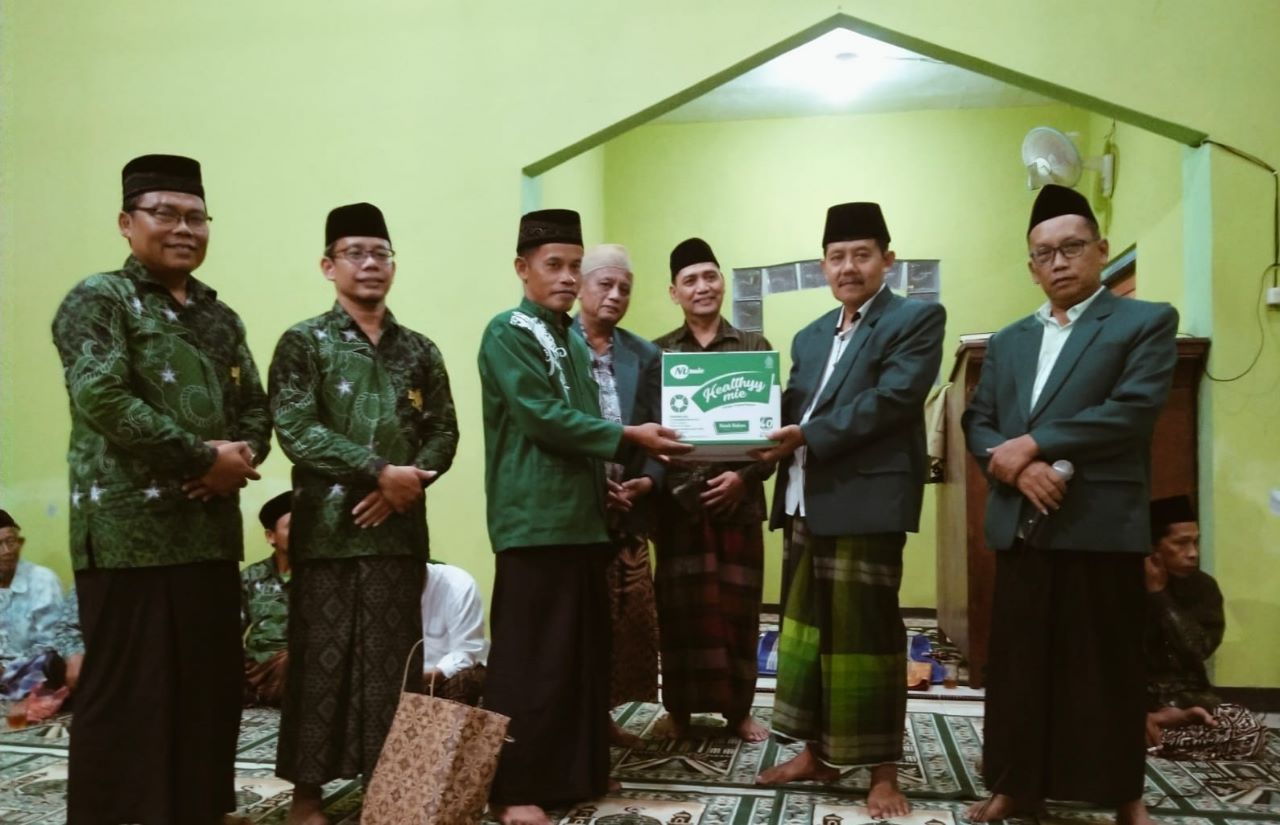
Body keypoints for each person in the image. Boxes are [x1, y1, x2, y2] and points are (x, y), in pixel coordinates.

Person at [51, 153, 269, 825]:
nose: (183, 228)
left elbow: (256, 410)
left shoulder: (219, 316)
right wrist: (200, 457)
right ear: (127, 222)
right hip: (128, 536)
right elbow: (100, 396)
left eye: (196, 216)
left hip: (208, 534)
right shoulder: (99, 299)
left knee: (209, 696)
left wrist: (239, 458)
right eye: (165, 214)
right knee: (129, 700)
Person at [962, 184, 1179, 825]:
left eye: (1072, 247)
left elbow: (1132, 411)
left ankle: (1124, 796)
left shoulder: (1144, 322)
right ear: (1031, 266)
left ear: (1101, 250)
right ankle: (1014, 787)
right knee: (1019, 670)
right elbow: (979, 423)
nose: (1058, 262)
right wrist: (1019, 469)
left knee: (1106, 669)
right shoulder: (1009, 340)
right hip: (1023, 523)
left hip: (1099, 524)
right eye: (1044, 253)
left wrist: (1034, 444)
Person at [478, 209, 688, 825]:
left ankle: (574, 774)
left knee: (578, 659)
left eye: (575, 265)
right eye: (554, 265)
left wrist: (611, 483)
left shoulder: (569, 336)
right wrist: (629, 436)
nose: (568, 277)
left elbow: (585, 421)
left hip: (584, 521)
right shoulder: (508, 331)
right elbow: (541, 417)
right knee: (529, 663)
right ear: (522, 269)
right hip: (533, 521)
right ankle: (514, 788)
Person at [752, 203, 945, 817]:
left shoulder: (915, 319)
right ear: (823, 266)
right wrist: (736, 435)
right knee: (809, 639)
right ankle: (819, 754)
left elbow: (894, 399)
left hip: (866, 503)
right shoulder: (810, 336)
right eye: (837, 257)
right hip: (804, 501)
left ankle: (883, 773)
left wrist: (805, 435)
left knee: (869, 641)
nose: (849, 267)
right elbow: (789, 408)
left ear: (888, 259)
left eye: (862, 254)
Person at [269, 202, 459, 825]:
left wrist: (408, 483)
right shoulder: (303, 342)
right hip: (327, 535)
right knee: (319, 668)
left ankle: (390, 790)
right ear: (329, 266)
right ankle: (306, 796)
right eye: (355, 253)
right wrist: (380, 473)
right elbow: (296, 428)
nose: (370, 263)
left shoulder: (420, 349)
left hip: (397, 535)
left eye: (380, 253)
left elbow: (444, 431)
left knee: (392, 669)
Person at [651, 237, 773, 743]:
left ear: (722, 283)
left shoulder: (754, 348)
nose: (702, 287)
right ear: (674, 292)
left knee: (737, 611)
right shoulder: (658, 353)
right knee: (680, 612)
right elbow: (648, 432)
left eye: (710, 276)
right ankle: (679, 711)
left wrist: (743, 478)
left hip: (738, 503)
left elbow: (773, 435)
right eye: (690, 280)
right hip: (678, 509)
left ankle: (737, 712)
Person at [571, 243, 663, 746]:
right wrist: (590, 484)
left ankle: (603, 719)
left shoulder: (644, 355)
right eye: (605, 284)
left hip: (628, 512)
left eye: (624, 288)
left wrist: (646, 481)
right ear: (581, 286)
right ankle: (577, 724)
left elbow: (662, 429)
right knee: (579, 624)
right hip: (574, 513)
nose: (615, 295)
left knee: (626, 621)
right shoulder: (555, 346)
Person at [1144, 496, 1267, 760]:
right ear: (1153, 547)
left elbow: (1197, 650)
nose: (1193, 553)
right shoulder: (1120, 585)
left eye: (1195, 542)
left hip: (1187, 701)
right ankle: (1146, 731)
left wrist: (1160, 596)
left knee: (1247, 731)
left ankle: (1151, 738)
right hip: (1132, 701)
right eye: (1181, 543)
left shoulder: (1203, 587)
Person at [0, 510, 66, 701]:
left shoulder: (42, 580)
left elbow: (52, 645)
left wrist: (6, 670)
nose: (7, 551)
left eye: (11, 541)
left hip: (33, 681)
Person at [241, 491, 293, 707]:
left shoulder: (321, 579)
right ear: (271, 536)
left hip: (304, 664)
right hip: (259, 666)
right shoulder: (251, 577)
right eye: (292, 527)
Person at [421, 560, 488, 707]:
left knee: (463, 679)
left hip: (445, 677)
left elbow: (465, 652)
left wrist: (427, 676)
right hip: (400, 680)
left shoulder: (457, 584)